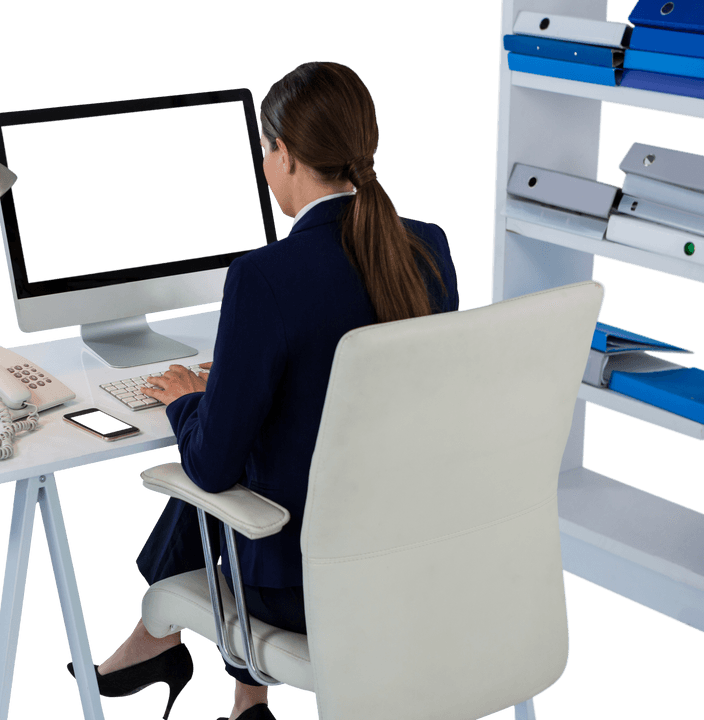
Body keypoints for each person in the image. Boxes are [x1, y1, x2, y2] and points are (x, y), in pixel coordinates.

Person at [68, 61, 460, 720]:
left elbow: (212, 468)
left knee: (218, 457)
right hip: (409, 567)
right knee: (264, 439)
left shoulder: (263, 277)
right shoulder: (427, 246)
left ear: (285, 154)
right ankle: (240, 699)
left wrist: (186, 399)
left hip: (303, 588)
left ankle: (155, 640)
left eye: (264, 150)